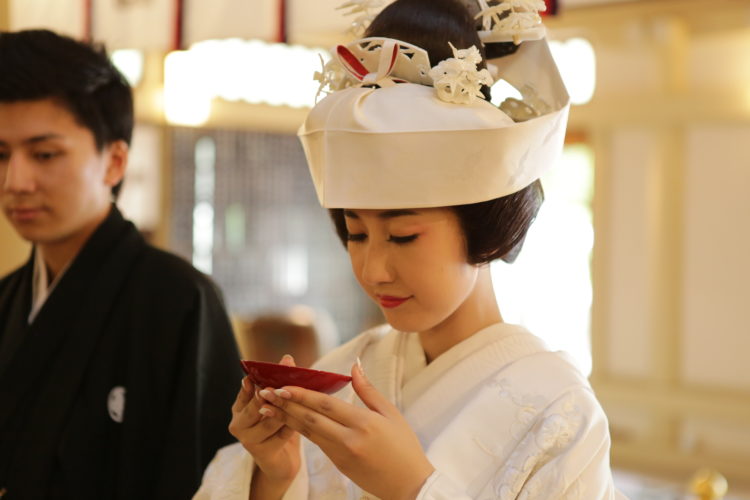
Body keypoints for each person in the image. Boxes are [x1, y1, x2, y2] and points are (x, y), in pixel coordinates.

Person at [195, 0, 626, 498]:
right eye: (356, 234)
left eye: (403, 236)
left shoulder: (560, 410)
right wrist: (274, 475)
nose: (373, 269)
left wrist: (413, 487)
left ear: (483, 226)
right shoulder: (342, 372)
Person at [0, 29, 241, 499]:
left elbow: (212, 480)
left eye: (44, 154)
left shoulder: (178, 300)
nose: (16, 181)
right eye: (1, 155)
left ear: (113, 162)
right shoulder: (6, 298)